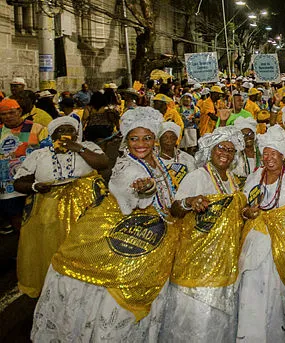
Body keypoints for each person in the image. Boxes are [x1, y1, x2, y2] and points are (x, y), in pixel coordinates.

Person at [31, 106, 178, 342]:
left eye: (147, 138)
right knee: (116, 287)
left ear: (155, 139)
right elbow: (127, 189)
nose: (141, 144)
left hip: (155, 229)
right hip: (121, 230)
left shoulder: (156, 160)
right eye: (134, 139)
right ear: (126, 140)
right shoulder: (127, 168)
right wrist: (144, 189)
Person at [161, 126, 245, 342]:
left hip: (225, 262)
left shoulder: (233, 180)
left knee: (218, 321)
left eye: (230, 149)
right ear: (210, 150)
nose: (225, 153)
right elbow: (175, 209)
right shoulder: (197, 176)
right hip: (197, 264)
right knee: (195, 318)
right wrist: (189, 202)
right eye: (221, 148)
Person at [13, 116, 109, 298]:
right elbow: (18, 182)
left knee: (85, 246)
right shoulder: (39, 155)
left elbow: (103, 164)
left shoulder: (88, 147)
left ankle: (87, 287)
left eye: (70, 131)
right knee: (51, 248)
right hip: (49, 209)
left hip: (86, 207)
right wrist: (34, 187)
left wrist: (78, 148)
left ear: (76, 134)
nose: (66, 135)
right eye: (61, 131)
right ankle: (55, 288)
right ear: (52, 136)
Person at [236, 125, 285, 342]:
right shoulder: (254, 177)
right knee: (251, 291)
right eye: (266, 153)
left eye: (275, 153)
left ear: (283, 155)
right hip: (255, 246)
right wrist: (246, 212)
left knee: (279, 295)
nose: (269, 158)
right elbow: (242, 205)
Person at [0, 98, 49, 234]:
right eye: (3, 114)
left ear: (19, 111)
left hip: (33, 182)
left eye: (11, 112)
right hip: (8, 187)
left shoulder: (36, 128)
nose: (7, 117)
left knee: (36, 217)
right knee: (16, 219)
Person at [158, 121, 196, 190]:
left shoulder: (186, 158)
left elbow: (193, 181)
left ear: (176, 140)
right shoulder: (153, 159)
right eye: (165, 138)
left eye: (172, 138)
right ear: (159, 139)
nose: (169, 141)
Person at [232, 116, 261, 182]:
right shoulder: (235, 155)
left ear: (254, 134)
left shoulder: (261, 151)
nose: (248, 137)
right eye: (243, 135)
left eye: (250, 133)